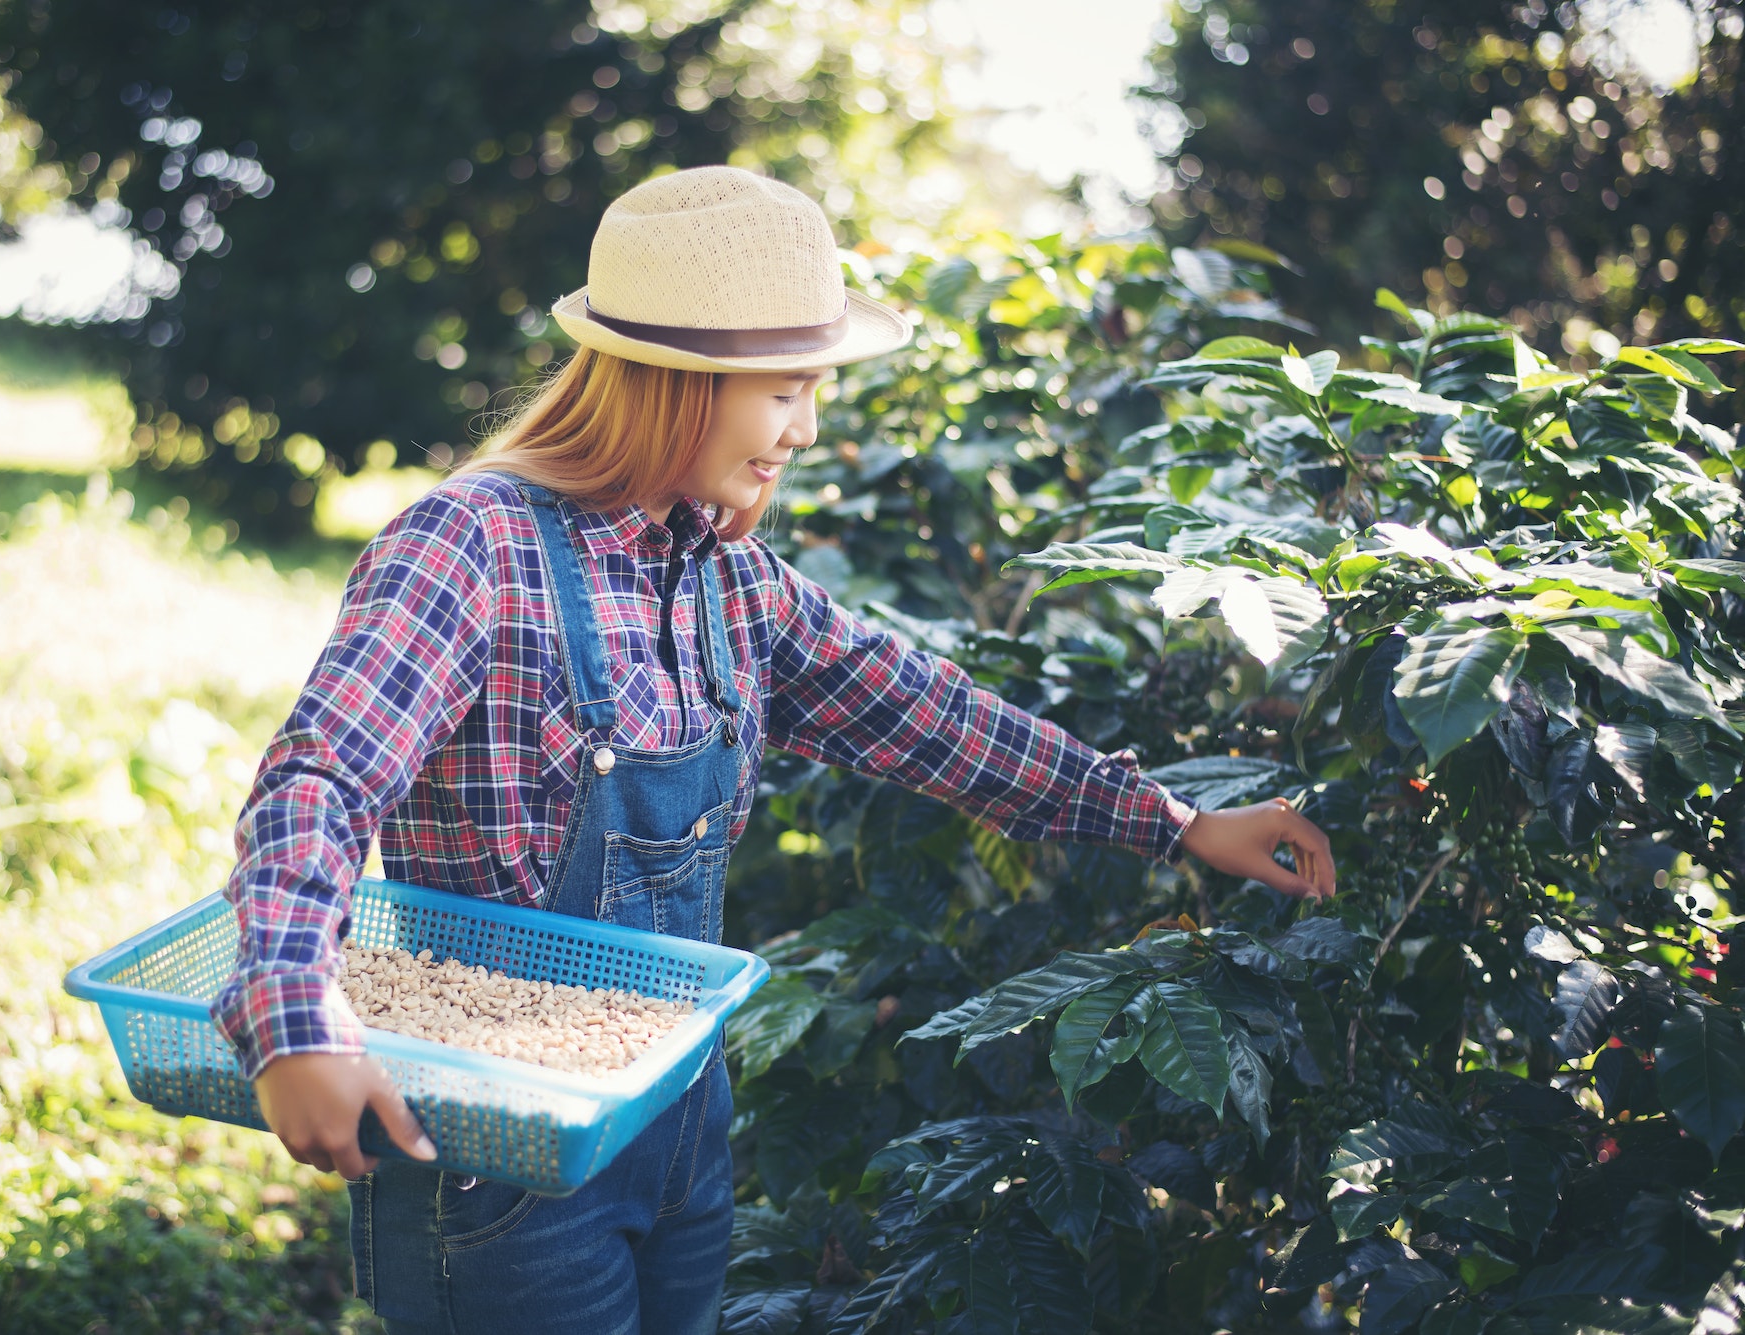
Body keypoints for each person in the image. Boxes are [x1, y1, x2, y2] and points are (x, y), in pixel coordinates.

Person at [213, 165, 1336, 1335]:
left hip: (682, 1124)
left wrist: (1170, 820)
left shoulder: (724, 580)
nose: (804, 429)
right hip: (504, 1162)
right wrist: (293, 1015)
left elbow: (930, 717)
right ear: (674, 383)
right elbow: (322, 782)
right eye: (785, 388)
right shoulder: (472, 544)